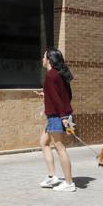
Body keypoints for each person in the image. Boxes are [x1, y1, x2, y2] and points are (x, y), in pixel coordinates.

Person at [35, 48, 76, 192]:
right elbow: (66, 96)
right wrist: (45, 93)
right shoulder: (59, 75)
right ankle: (52, 176)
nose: (42, 59)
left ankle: (69, 183)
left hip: (57, 117)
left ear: (49, 60)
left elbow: (58, 100)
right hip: (58, 116)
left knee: (60, 149)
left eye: (44, 57)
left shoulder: (51, 76)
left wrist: (63, 117)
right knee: (44, 143)